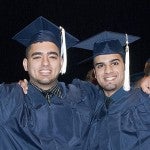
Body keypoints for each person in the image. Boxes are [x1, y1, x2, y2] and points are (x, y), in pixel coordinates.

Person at [0, 16, 105, 149]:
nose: (45, 63)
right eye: (37, 57)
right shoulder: (8, 101)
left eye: (52, 56)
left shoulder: (85, 98)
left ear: (61, 63)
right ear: (26, 64)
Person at [74, 31, 150, 150]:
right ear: (95, 73)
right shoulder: (92, 110)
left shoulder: (144, 101)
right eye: (100, 65)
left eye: (114, 63)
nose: (108, 70)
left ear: (125, 66)